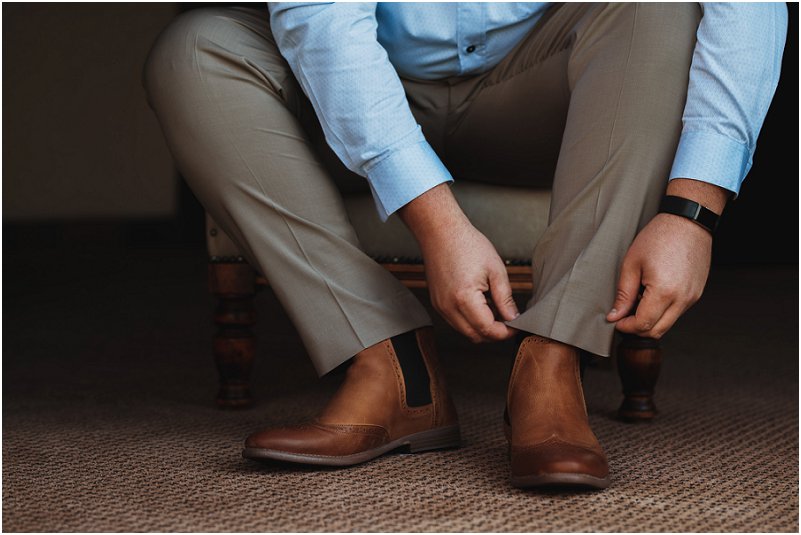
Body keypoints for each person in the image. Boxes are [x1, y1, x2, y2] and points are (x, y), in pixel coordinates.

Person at [144, 3, 787, 489]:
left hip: (541, 88)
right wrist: (438, 224)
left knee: (660, 6)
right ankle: (391, 368)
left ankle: (552, 364)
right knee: (195, 49)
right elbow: (323, 20)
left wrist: (691, 213)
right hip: (348, 90)